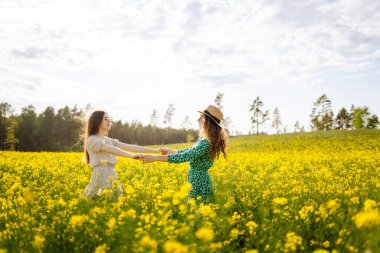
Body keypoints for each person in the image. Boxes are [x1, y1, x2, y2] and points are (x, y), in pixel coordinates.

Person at [140, 105, 229, 204]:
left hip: (199, 182)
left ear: (207, 121)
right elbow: (188, 151)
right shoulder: (207, 141)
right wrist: (171, 151)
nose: (198, 119)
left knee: (197, 212)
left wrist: (154, 158)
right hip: (200, 179)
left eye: (201, 117)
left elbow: (185, 156)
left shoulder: (205, 143)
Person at [81, 110, 163, 200]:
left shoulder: (109, 140)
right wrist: (131, 156)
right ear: (97, 121)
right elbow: (111, 149)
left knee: (111, 202)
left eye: (109, 119)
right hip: (100, 174)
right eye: (106, 119)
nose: (109, 121)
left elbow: (131, 147)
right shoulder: (93, 140)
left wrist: (155, 150)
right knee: (97, 201)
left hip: (111, 174)